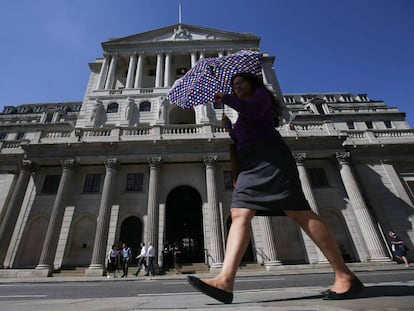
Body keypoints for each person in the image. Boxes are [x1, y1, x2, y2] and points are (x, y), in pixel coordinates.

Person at [187, 72, 364, 304]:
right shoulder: (242, 113)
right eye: (234, 85)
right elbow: (242, 137)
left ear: (252, 83)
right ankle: (224, 280)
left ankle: (344, 275)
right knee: (239, 212)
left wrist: (226, 98)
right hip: (251, 165)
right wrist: (229, 128)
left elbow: (253, 112)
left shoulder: (261, 97)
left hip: (271, 158)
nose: (236, 87)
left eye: (240, 83)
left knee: (298, 212)